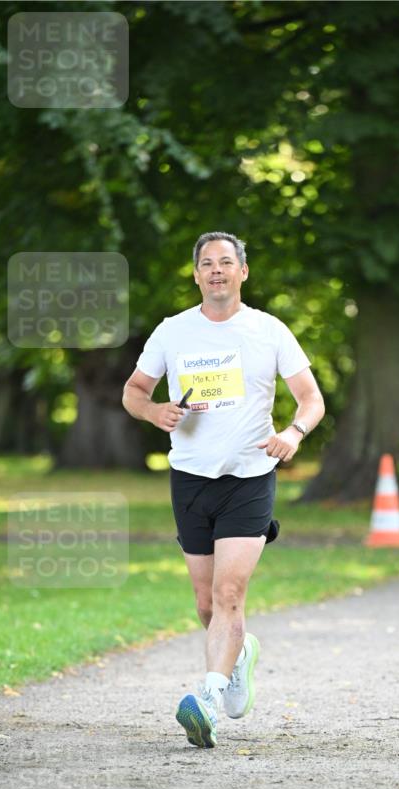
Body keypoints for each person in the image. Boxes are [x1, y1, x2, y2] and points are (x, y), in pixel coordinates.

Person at [122, 231, 325, 748]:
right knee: (206, 603)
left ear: (243, 272)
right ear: (196, 275)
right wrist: (154, 411)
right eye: (207, 263)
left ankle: (207, 698)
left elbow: (311, 398)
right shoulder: (172, 331)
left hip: (250, 476)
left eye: (226, 262)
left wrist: (293, 433)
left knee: (229, 593)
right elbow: (134, 391)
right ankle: (239, 656)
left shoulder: (268, 330)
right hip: (191, 478)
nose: (217, 270)